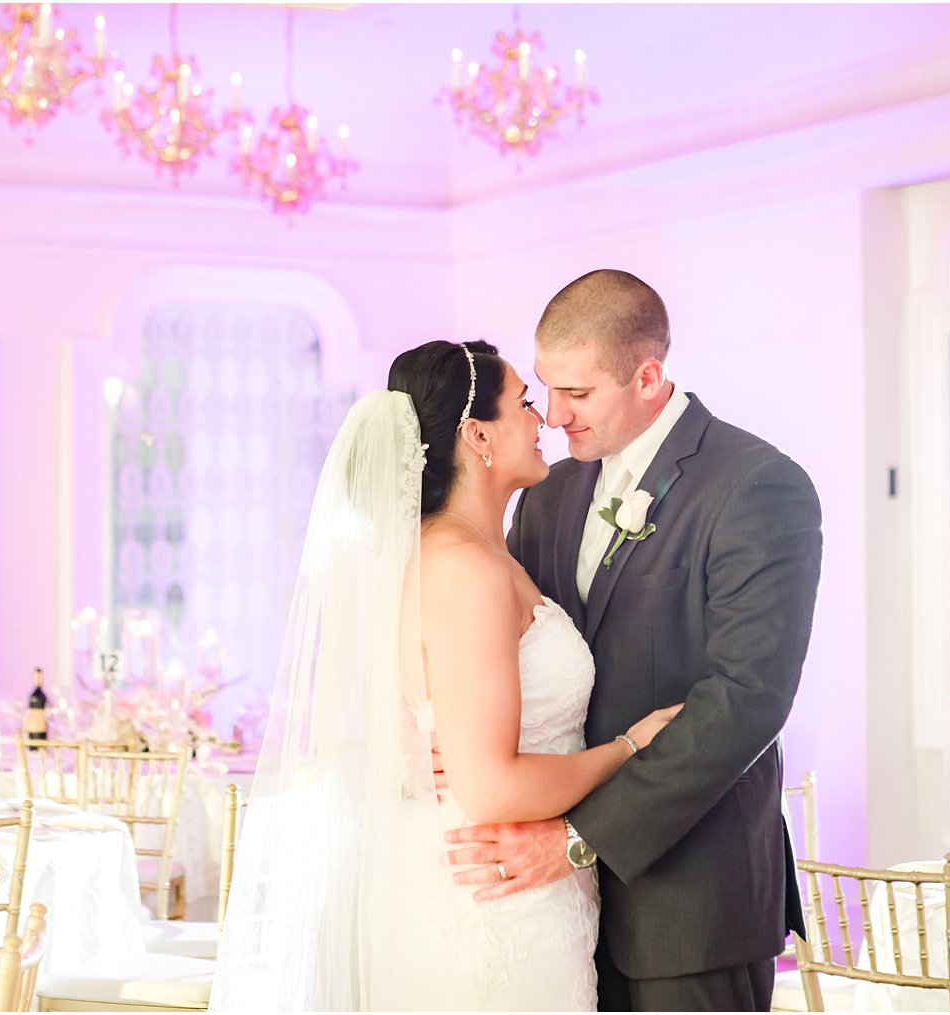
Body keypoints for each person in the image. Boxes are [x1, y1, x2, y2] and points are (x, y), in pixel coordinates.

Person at [210, 339, 679, 1012]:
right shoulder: (466, 568)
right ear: (476, 433)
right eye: (523, 401)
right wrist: (629, 749)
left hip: (495, 884)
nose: (542, 416)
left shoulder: (470, 556)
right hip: (489, 903)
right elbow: (490, 786)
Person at [443, 270, 823, 1011]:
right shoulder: (547, 495)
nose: (552, 415)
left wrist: (579, 838)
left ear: (648, 376)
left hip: (690, 905)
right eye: (546, 389)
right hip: (553, 915)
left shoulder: (757, 486)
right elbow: (515, 651)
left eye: (577, 394)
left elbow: (747, 701)